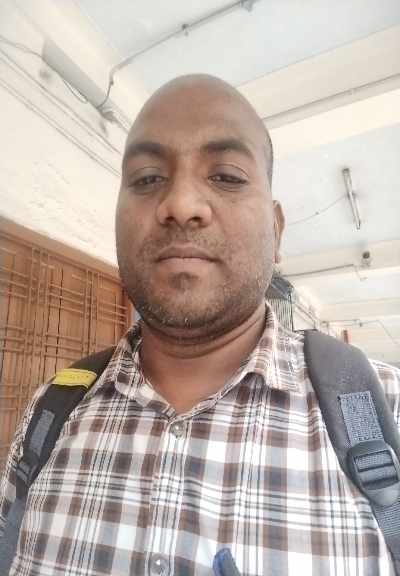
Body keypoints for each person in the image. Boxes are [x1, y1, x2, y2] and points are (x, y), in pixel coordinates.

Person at [1, 74, 399, 576]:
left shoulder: (384, 411)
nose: (181, 205)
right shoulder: (50, 412)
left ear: (276, 231)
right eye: (147, 178)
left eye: (227, 176)